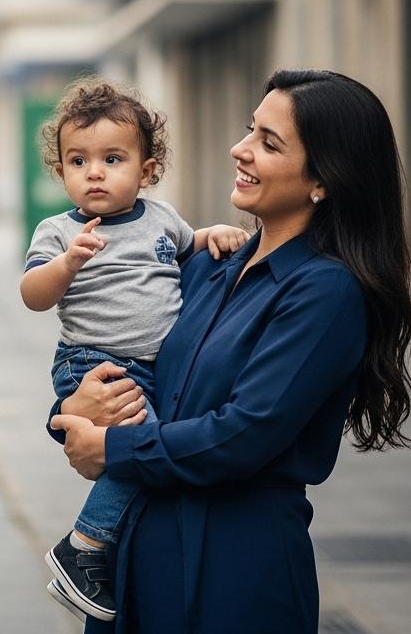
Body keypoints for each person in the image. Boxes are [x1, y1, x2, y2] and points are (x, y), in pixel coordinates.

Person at [49, 70, 411, 633]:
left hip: (233, 572)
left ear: (323, 179)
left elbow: (244, 433)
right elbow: (116, 360)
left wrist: (114, 447)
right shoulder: (204, 265)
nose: (239, 149)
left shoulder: (326, 291)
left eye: (269, 143)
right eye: (251, 129)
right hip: (133, 561)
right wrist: (70, 414)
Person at [20, 80, 248, 621]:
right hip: (95, 364)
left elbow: (190, 245)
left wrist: (216, 232)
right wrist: (68, 264)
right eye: (78, 160)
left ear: (146, 170)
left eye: (112, 158)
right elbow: (33, 296)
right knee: (139, 450)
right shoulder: (58, 232)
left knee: (139, 457)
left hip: (153, 369)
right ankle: (85, 546)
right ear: (61, 172)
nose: (94, 171)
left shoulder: (162, 218)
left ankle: (103, 550)